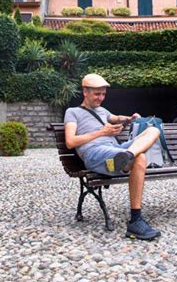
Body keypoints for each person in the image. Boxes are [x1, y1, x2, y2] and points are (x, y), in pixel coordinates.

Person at [64, 73, 161, 240]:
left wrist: (129, 119)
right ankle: (136, 220)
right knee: (141, 158)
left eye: (103, 94)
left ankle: (128, 155)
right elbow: (70, 141)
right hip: (95, 153)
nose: (101, 98)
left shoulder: (102, 110)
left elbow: (116, 118)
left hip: (116, 149)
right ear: (85, 91)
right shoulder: (72, 112)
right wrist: (102, 132)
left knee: (153, 130)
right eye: (97, 94)